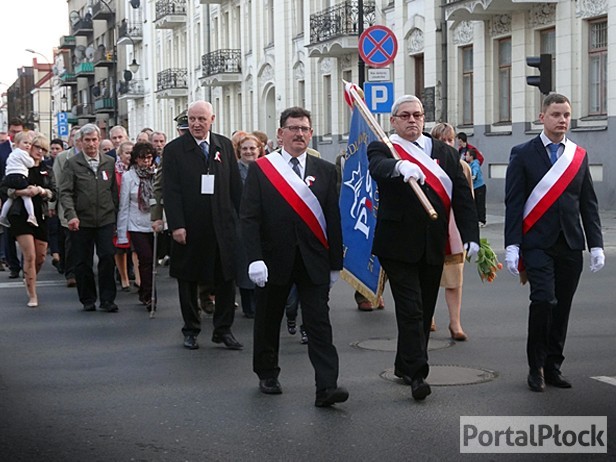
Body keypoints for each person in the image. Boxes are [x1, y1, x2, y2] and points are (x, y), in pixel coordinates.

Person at [367, 95, 479, 401]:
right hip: (397, 245)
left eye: (417, 115)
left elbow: (461, 196)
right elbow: (377, 167)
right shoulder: (383, 146)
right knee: (411, 309)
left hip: (433, 244)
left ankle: (404, 364)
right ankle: (418, 374)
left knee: (425, 307)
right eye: (404, 116)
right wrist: (398, 166)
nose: (412, 120)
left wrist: (470, 236)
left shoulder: (442, 150)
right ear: (393, 120)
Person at [241, 106, 348, 407]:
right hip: (272, 260)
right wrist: (254, 258)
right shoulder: (262, 169)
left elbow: (333, 219)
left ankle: (327, 386)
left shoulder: (326, 170)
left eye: (304, 129)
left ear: (311, 134)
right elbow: (249, 218)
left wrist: (335, 263)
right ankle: (267, 372)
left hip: (313, 260)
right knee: (268, 319)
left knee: (318, 323)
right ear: (280, 133)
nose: (299, 134)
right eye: (293, 128)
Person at [504, 93, 605, 392]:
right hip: (537, 243)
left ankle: (553, 366)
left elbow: (588, 203)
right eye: (556, 114)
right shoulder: (522, 153)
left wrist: (596, 244)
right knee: (544, 301)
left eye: (566, 115)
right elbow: (514, 202)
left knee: (562, 308)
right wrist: (512, 245)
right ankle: (535, 367)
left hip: (571, 243)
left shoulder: (578, 155)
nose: (562, 120)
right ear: (542, 117)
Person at [162, 100, 243, 350]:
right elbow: (171, 190)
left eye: (201, 119)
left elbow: (235, 186)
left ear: (212, 119)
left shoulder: (224, 146)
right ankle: (191, 329)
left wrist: (241, 222)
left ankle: (223, 329)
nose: (196, 124)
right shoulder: (174, 150)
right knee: (188, 279)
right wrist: (176, 225)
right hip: (190, 226)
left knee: (226, 278)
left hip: (222, 226)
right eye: (192, 119)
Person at [60, 124, 119, 312]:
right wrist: (71, 215)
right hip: (82, 220)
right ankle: (88, 298)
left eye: (94, 140)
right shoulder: (73, 163)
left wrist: (116, 216)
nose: (91, 144)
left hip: (105, 218)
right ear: (81, 142)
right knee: (83, 261)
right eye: (87, 140)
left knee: (107, 257)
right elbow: (66, 192)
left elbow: (114, 191)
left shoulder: (109, 162)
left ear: (99, 141)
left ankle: (108, 299)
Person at [0, 133, 56, 307]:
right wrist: (19, 192)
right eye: (37, 147)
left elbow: (54, 191)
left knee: (40, 257)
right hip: (20, 215)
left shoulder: (46, 168)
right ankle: (32, 294)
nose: (40, 151)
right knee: (29, 255)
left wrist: (41, 191)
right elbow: (4, 187)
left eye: (43, 149)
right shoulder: (20, 164)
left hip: (41, 214)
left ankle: (29, 276)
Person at [430, 122, 473, 340]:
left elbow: (468, 201)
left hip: (453, 227)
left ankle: (455, 323)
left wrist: (471, 233)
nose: (447, 144)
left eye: (450, 140)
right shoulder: (426, 164)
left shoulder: (462, 166)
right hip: (430, 226)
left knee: (454, 278)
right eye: (441, 140)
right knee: (427, 275)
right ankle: (428, 317)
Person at [116, 142, 157, 310]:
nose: (146, 162)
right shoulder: (129, 177)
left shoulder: (158, 174)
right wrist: (122, 233)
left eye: (149, 158)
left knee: (153, 261)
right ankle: (149, 295)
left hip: (154, 223)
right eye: (142, 158)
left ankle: (147, 291)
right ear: (135, 159)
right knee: (145, 259)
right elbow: (124, 205)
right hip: (136, 224)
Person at [52, 126, 81, 287]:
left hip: (86, 205)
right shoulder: (63, 157)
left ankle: (83, 270)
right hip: (67, 203)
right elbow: (56, 182)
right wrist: (52, 204)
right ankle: (70, 272)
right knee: (70, 239)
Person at [1, 118, 26, 279]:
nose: (16, 134)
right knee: (9, 232)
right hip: (6, 194)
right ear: (9, 132)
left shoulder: (27, 148)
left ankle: (26, 265)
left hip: (25, 194)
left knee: (26, 231)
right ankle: (14, 266)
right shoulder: (2, 149)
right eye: (13, 131)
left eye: (19, 131)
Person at [0, 131, 38, 228]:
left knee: (10, 198)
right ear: (17, 144)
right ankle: (31, 215)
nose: (28, 146)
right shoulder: (22, 153)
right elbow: (30, 164)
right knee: (26, 196)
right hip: (19, 176)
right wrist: (31, 159)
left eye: (30, 144)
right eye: (25, 143)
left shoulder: (12, 154)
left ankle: (3, 216)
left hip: (8, 177)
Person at [113, 141, 134, 291]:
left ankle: (139, 279)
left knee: (136, 247)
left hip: (135, 212)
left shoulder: (138, 170)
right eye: (126, 152)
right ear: (120, 155)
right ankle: (124, 277)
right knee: (120, 247)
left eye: (132, 152)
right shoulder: (114, 171)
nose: (129, 156)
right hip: (119, 212)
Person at [464, 148, 487, 227]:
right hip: (474, 187)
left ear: (471, 157)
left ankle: (482, 220)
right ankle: (476, 219)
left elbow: (475, 171)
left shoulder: (475, 164)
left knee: (480, 204)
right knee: (475, 204)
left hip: (479, 187)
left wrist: (473, 176)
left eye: (467, 155)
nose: (465, 156)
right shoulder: (469, 164)